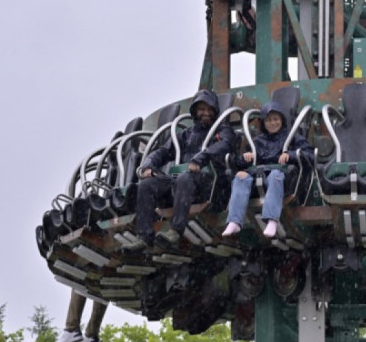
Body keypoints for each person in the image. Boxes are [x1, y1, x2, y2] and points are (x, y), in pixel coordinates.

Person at [134, 89, 237, 248]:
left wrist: (200, 159)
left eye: (210, 109)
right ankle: (144, 236)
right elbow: (163, 151)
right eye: (202, 109)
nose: (206, 113)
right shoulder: (185, 135)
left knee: (185, 178)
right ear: (195, 111)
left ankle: (176, 230)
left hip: (208, 184)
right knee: (147, 185)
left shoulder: (223, 131)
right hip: (182, 185)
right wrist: (148, 165)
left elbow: (223, 145)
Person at [222, 102, 314, 238]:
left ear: (282, 120)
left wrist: (291, 155)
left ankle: (271, 220)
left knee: (275, 175)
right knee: (240, 176)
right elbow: (240, 162)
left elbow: (310, 155)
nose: (272, 123)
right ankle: (234, 221)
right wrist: (246, 157)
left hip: (283, 176)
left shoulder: (292, 137)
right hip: (259, 176)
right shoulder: (257, 141)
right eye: (269, 120)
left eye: (276, 119)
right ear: (264, 123)